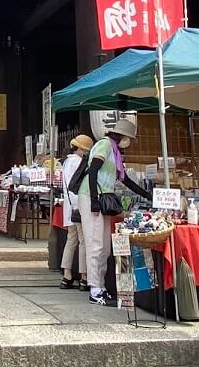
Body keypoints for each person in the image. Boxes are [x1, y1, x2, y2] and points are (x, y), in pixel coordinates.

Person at [76, 118, 153, 306]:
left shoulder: (115, 152)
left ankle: (100, 286)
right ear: (123, 136)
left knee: (104, 246)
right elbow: (93, 170)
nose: (129, 143)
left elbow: (125, 179)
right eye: (129, 138)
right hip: (91, 196)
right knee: (95, 244)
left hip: (102, 199)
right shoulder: (104, 145)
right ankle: (94, 290)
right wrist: (94, 200)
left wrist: (148, 195)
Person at [59, 134, 94, 291]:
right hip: (78, 204)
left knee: (71, 240)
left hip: (68, 206)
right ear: (81, 149)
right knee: (83, 241)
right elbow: (77, 186)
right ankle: (84, 277)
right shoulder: (79, 162)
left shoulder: (66, 162)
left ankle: (66, 275)